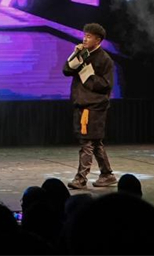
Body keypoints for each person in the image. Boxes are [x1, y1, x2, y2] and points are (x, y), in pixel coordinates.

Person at [62, 23, 117, 189]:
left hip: (94, 106)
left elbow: (106, 85)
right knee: (95, 142)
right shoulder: (83, 53)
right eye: (84, 35)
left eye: (89, 36)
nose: (85, 38)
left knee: (86, 142)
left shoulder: (104, 59)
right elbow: (66, 70)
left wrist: (87, 73)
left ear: (98, 39)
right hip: (82, 103)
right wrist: (76, 54)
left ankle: (81, 178)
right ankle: (107, 174)